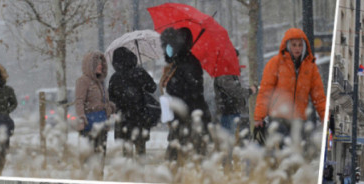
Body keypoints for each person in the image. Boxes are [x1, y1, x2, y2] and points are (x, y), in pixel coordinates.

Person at [254, 28, 326, 146]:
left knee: (296, 155)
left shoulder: (310, 67)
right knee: (281, 153)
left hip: (299, 119)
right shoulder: (275, 63)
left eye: (299, 45)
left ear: (304, 47)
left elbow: (319, 96)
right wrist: (259, 117)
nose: (297, 48)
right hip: (279, 117)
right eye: (294, 45)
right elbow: (265, 91)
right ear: (287, 45)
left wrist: (325, 117)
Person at [159, 27, 211, 162]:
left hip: (188, 119)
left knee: (179, 160)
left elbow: (190, 91)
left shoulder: (187, 64)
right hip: (186, 118)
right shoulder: (180, 63)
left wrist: (170, 86)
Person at [108, 46, 159, 158]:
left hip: (123, 120)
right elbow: (153, 88)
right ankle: (140, 174)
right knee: (141, 152)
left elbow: (111, 99)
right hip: (140, 118)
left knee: (126, 155)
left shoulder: (114, 78)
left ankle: (128, 174)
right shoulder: (139, 72)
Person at [75, 51, 116, 155]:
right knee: (90, 156)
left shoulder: (100, 82)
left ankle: (100, 171)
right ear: (90, 66)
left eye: (101, 63)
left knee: (101, 154)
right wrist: (81, 118)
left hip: (102, 123)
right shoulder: (83, 81)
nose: (100, 66)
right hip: (90, 124)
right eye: (97, 64)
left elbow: (102, 100)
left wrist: (110, 107)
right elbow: (79, 101)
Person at [214, 49, 257, 136]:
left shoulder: (228, 72)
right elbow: (235, 91)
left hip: (232, 111)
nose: (238, 61)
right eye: (236, 59)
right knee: (229, 140)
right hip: (228, 113)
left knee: (233, 138)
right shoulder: (224, 73)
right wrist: (250, 91)